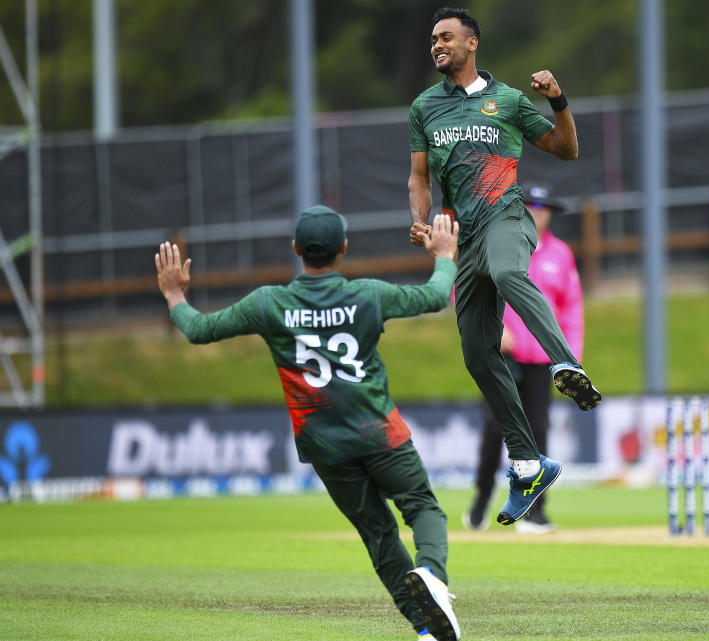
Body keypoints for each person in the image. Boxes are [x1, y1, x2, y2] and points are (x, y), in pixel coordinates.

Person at [155, 207, 462, 641]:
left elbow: (201, 330)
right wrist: (445, 254)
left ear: (296, 250)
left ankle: (426, 629)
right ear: (344, 249)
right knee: (422, 507)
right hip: (380, 432)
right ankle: (431, 573)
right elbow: (433, 297)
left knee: (378, 535)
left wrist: (174, 296)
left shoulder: (268, 304)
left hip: (326, 446)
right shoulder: (368, 295)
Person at [407, 7, 601, 528]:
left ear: (472, 44)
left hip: (506, 216)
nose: (437, 45)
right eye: (433, 39)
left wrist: (557, 101)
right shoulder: (424, 107)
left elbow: (566, 149)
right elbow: (419, 177)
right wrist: (421, 221)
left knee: (512, 273)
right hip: (461, 234)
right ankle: (529, 464)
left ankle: (566, 365)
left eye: (446, 37)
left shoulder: (510, 100)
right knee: (476, 353)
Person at [463, 185, 583, 534]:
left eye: (544, 206)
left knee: (538, 429)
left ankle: (534, 513)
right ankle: (481, 501)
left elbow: (572, 307)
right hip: (502, 355)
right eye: (531, 204)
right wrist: (491, 328)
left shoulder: (561, 254)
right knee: (494, 429)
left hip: (540, 359)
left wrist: (568, 356)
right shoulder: (496, 239)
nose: (538, 211)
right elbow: (465, 285)